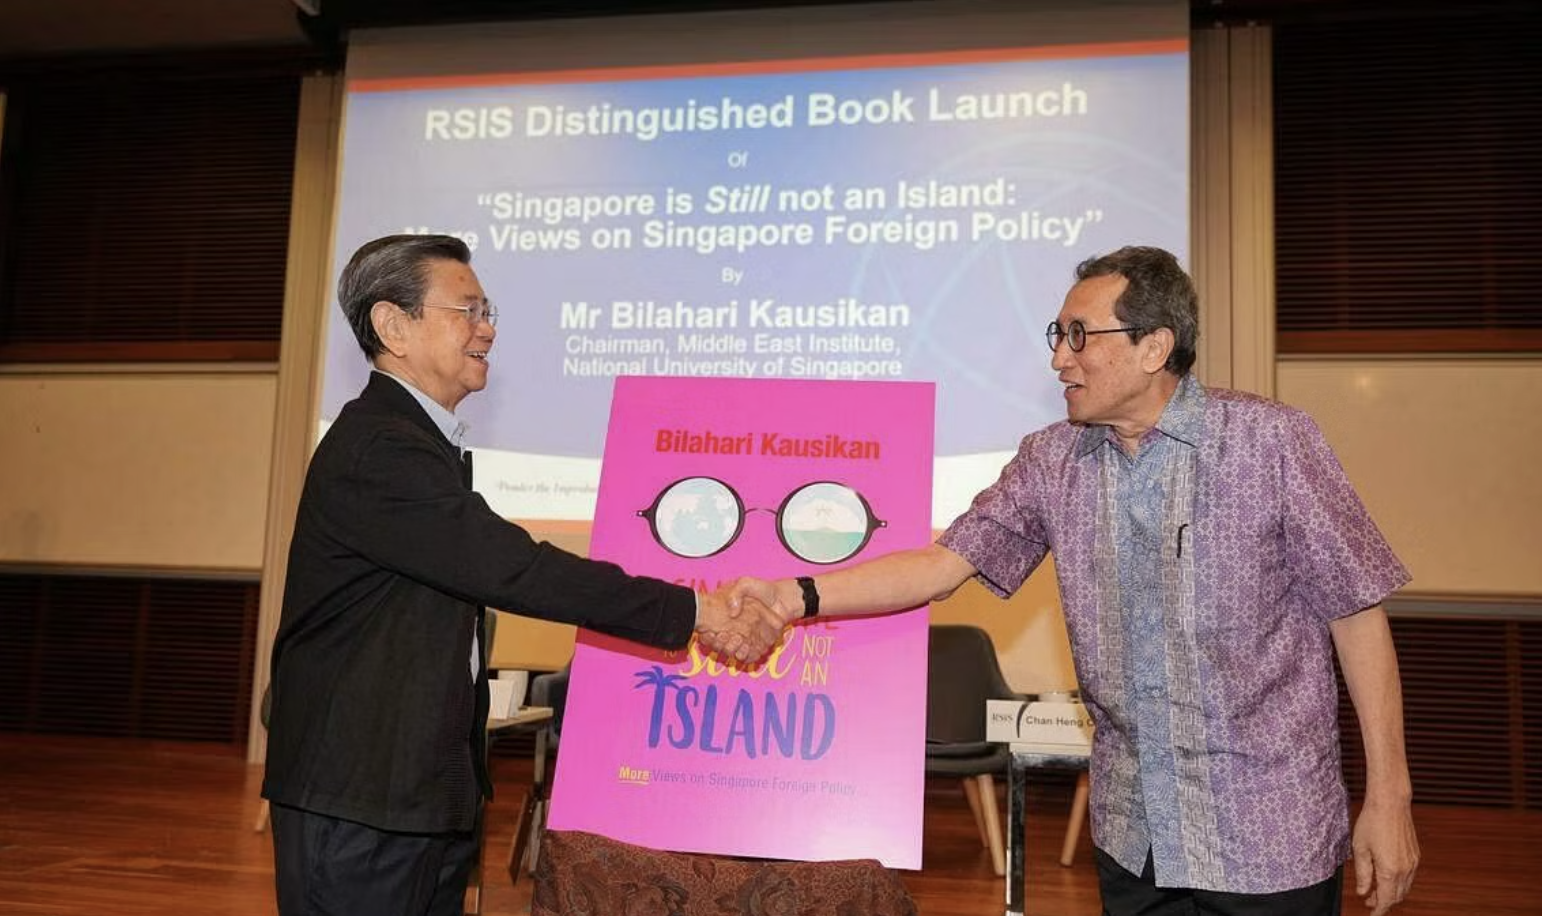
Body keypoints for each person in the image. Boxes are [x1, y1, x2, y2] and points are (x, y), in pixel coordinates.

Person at [719, 246, 1418, 916]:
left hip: (1269, 835)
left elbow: (1357, 614)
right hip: (1133, 836)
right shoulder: (1051, 461)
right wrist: (791, 596)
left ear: (1154, 347)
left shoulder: (1272, 442)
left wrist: (1390, 797)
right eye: (1059, 334)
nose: (1059, 357)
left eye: (1080, 336)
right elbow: (942, 564)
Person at [262, 234, 776, 916]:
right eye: (467, 310)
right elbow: (515, 569)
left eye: (488, 309)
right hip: (362, 797)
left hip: (410, 791)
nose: (488, 328)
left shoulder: (415, 443)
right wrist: (696, 611)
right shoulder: (379, 448)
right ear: (394, 326)